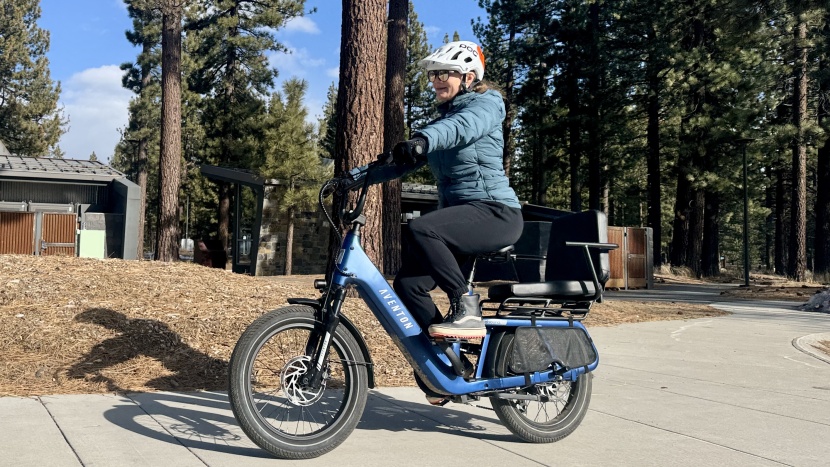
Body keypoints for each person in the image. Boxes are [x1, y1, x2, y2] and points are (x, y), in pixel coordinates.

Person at [348, 40, 523, 340]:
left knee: (422, 228)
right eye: (434, 75)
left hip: (496, 213)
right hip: (462, 221)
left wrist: (423, 140)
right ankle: (446, 363)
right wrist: (351, 179)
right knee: (408, 285)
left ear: (468, 77)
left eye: (446, 73)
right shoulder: (442, 122)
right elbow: (400, 164)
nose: (437, 80)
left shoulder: (488, 104)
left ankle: (466, 307)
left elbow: (461, 127)